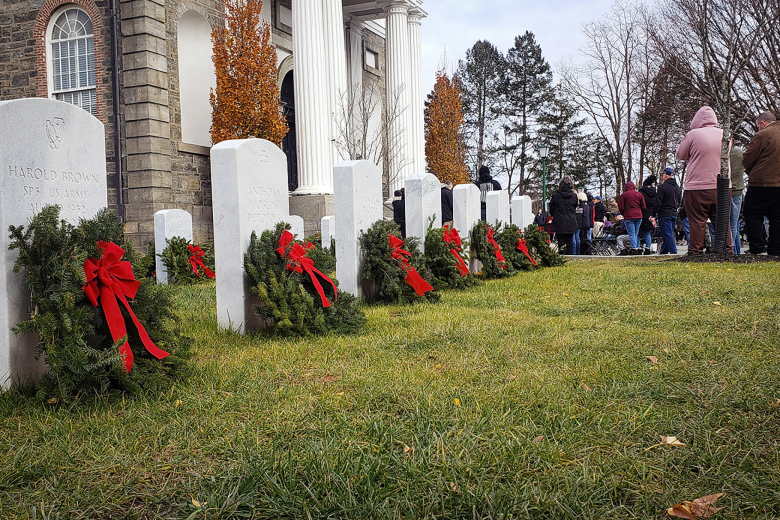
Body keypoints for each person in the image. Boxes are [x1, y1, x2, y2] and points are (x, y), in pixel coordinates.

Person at [676, 106, 732, 255]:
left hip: (696, 186)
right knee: (721, 221)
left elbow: (681, 154)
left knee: (697, 222)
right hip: (723, 186)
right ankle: (726, 251)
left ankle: (695, 252)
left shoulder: (693, 134)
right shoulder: (726, 134)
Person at [742, 111, 780, 256]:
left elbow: (748, 159)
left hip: (762, 182)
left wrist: (751, 170)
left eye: (758, 126)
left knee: (752, 214)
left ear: (762, 123)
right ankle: (776, 250)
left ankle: (757, 248)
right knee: (777, 216)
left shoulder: (762, 135)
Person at [653, 167, 682, 254]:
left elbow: (658, 202)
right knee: (668, 234)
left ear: (665, 175)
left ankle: (674, 253)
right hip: (674, 213)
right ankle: (663, 253)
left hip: (664, 214)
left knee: (667, 234)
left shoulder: (662, 187)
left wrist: (653, 214)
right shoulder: (678, 188)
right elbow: (679, 201)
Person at [549, 176, 579, 254]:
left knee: (561, 240)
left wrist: (554, 215)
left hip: (559, 220)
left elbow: (551, 208)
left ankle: (562, 256)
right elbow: (575, 206)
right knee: (570, 240)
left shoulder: (555, 196)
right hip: (570, 220)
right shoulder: (574, 196)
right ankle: (571, 257)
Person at [617, 181, 646, 255]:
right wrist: (639, 212)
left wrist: (624, 213)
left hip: (629, 216)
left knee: (632, 234)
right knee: (635, 234)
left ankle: (634, 249)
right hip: (638, 216)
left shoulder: (624, 195)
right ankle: (636, 247)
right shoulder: (639, 194)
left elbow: (620, 207)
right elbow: (644, 206)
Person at [730, 147, 745, 254]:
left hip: (726, 189)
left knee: (727, 225)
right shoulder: (741, 153)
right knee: (734, 224)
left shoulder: (723, 154)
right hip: (738, 189)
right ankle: (736, 251)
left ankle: (730, 250)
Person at [639, 175, 657, 254]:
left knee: (638, 233)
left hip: (642, 213)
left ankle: (637, 248)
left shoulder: (641, 193)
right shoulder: (655, 193)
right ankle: (648, 248)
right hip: (651, 214)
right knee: (647, 233)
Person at [578, 191, 594, 255]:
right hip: (588, 224)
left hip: (582, 224)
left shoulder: (581, 206)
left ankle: (581, 251)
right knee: (586, 237)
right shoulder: (589, 207)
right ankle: (587, 251)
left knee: (581, 238)